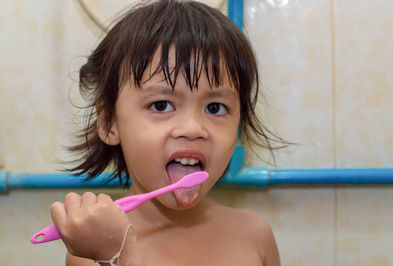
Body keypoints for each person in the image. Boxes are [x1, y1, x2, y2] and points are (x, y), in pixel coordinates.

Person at [50, 0, 282, 265]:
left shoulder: (255, 235)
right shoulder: (92, 250)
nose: (194, 129)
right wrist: (115, 256)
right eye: (161, 105)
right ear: (108, 124)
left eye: (215, 107)